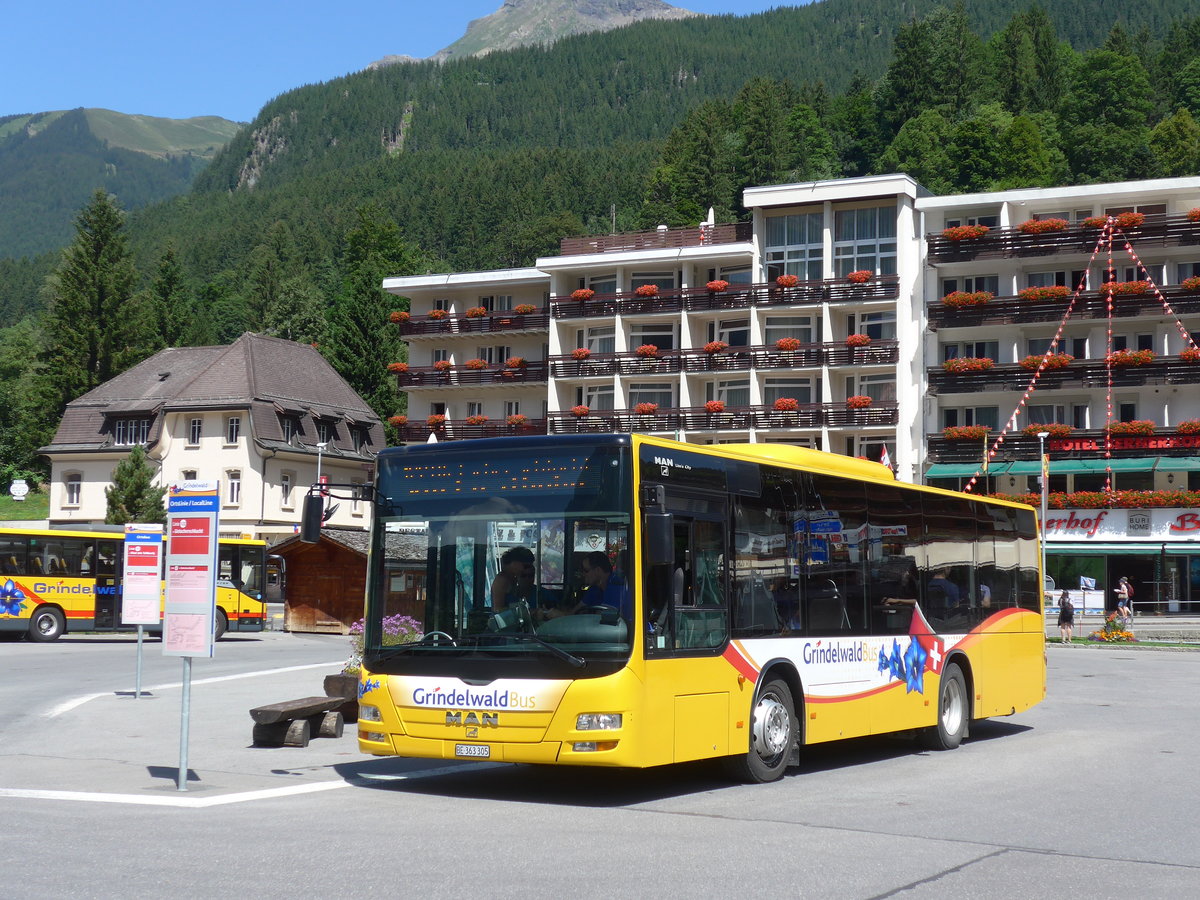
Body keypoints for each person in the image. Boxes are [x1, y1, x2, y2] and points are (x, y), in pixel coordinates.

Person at [490, 546, 535, 613]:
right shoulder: (502, 580)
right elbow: (497, 609)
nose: (524, 570)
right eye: (525, 566)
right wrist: (524, 612)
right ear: (514, 563)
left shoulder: (512, 578)